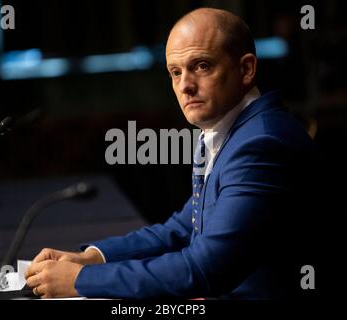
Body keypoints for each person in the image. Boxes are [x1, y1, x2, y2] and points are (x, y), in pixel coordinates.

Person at [25, 7, 321, 299]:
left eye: (202, 66)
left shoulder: (260, 144)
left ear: (246, 69)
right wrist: (91, 258)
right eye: (175, 72)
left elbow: (205, 269)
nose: (185, 86)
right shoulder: (226, 129)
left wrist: (81, 281)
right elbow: (182, 229)